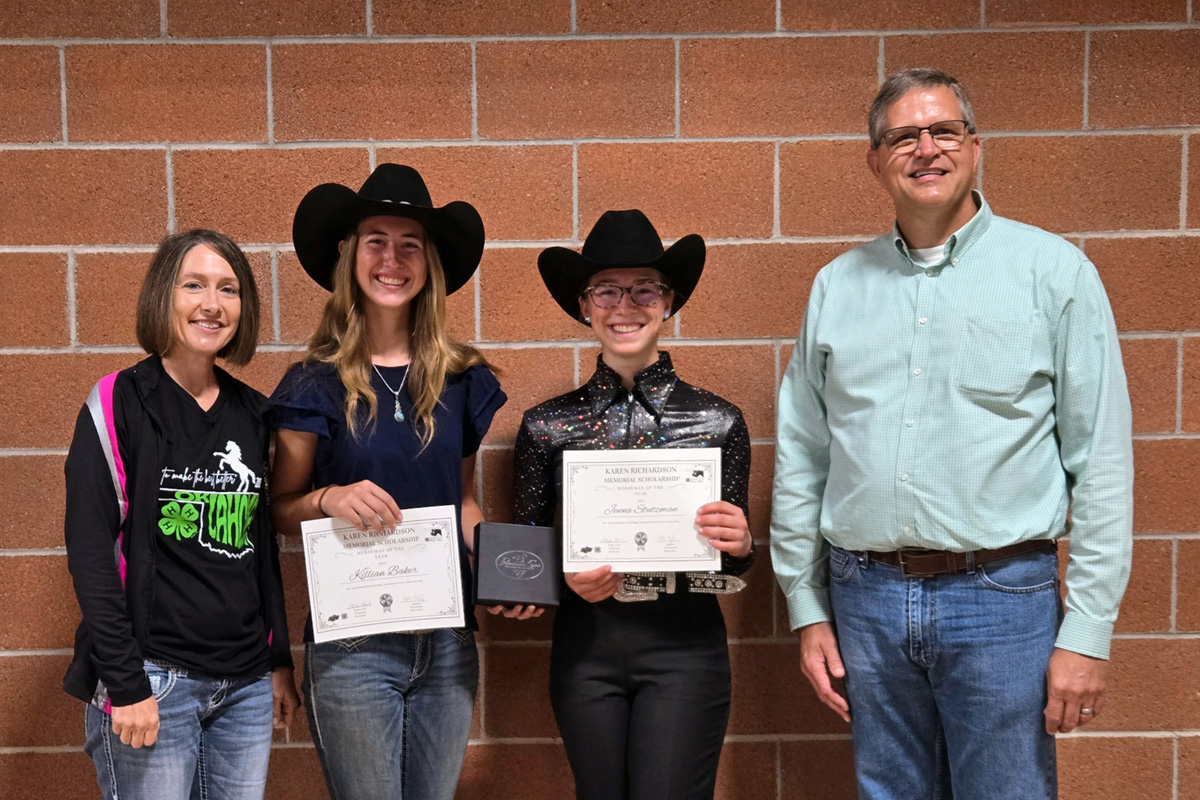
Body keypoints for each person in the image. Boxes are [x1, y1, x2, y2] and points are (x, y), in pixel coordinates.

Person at [770, 67, 1134, 799]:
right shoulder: (837, 286)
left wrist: (1087, 632)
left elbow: (1102, 462)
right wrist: (807, 608)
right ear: (875, 160)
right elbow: (802, 453)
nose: (925, 149)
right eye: (903, 136)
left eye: (944, 131)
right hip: (864, 598)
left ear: (976, 147)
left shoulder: (1053, 273)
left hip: (1003, 597)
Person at [269, 163, 506, 800]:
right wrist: (328, 498)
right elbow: (278, 507)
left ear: (430, 263)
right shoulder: (312, 385)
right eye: (376, 240)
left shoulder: (461, 380)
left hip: (447, 639)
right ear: (349, 255)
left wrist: (503, 566)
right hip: (354, 645)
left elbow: (459, 499)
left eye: (410, 245)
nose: (392, 260)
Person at [512, 209, 755, 800]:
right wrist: (557, 579)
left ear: (668, 302)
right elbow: (524, 553)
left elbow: (731, 561)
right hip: (586, 649)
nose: (626, 305)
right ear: (583, 305)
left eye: (645, 289)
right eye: (607, 291)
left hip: (686, 650)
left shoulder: (718, 420)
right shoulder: (547, 425)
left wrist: (741, 546)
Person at [63, 229, 299, 800]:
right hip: (153, 679)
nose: (212, 304)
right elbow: (92, 555)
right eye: (194, 285)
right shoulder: (116, 402)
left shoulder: (254, 413)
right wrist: (125, 684)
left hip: (244, 685)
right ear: (163, 297)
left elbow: (261, 552)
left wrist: (278, 661)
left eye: (229, 289)